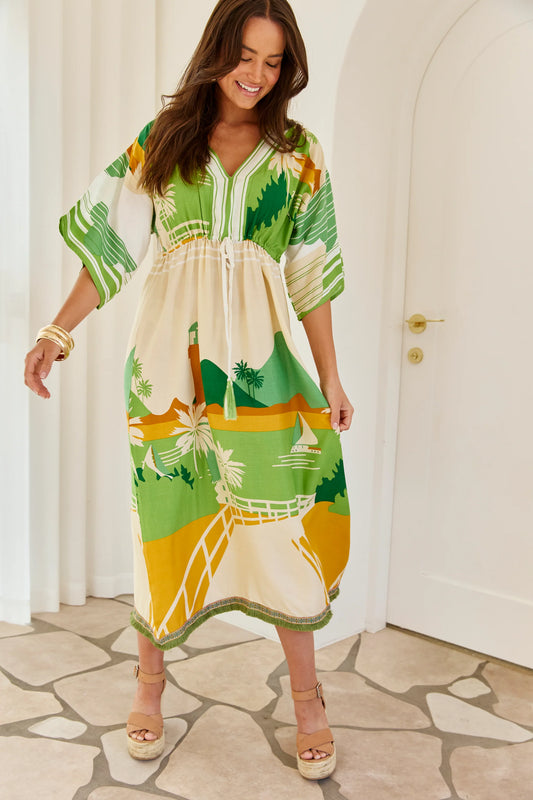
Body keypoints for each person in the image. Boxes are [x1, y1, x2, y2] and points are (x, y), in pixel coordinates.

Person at [24, 0, 353, 781]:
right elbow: (109, 248)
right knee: (165, 523)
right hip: (168, 368)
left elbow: (311, 275)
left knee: (278, 530)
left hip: (265, 370)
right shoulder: (164, 139)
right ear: (217, 49)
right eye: (246, 54)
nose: (256, 74)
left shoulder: (299, 154)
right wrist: (55, 331)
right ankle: (148, 689)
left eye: (273, 62)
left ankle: (308, 701)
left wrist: (332, 374)